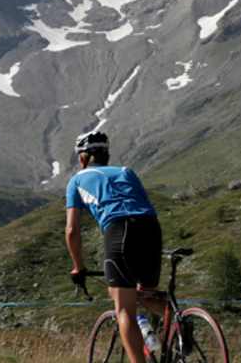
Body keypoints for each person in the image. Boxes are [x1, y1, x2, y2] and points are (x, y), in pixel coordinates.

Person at [65, 130, 163, 363]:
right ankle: (179, 321)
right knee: (144, 294)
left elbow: (72, 230)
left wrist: (78, 266)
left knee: (124, 309)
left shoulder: (77, 180)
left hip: (120, 230)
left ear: (83, 158)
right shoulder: (126, 171)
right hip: (151, 229)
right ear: (107, 155)